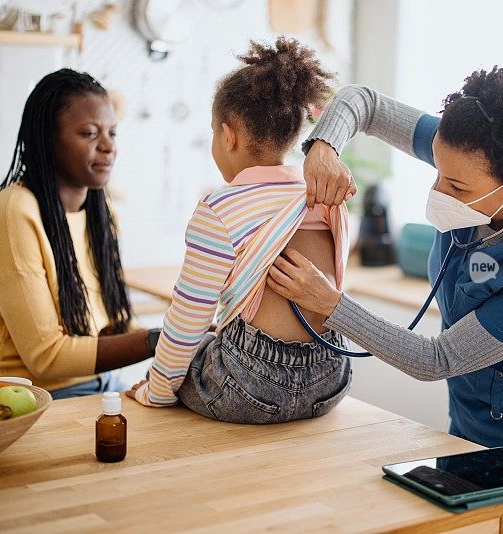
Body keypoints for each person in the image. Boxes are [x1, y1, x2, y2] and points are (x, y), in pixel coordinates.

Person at [267, 64, 503, 533]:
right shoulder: (467, 151)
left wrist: (331, 304)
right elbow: (364, 101)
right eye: (439, 172)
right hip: (469, 419)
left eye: (456, 187)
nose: (437, 190)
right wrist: (322, 145)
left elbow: (436, 358)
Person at [129, 37, 352, 424]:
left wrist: (158, 391)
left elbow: (188, 316)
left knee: (191, 349)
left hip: (251, 385)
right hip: (331, 379)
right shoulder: (321, 194)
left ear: (227, 135)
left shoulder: (219, 207)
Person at [0, 69, 159, 399]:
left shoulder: (101, 212)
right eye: (89, 133)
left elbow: (114, 324)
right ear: (48, 140)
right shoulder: (14, 213)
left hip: (102, 384)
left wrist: (186, 337)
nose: (108, 146)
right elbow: (47, 358)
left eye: (113, 132)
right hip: (25, 400)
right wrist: (159, 341)